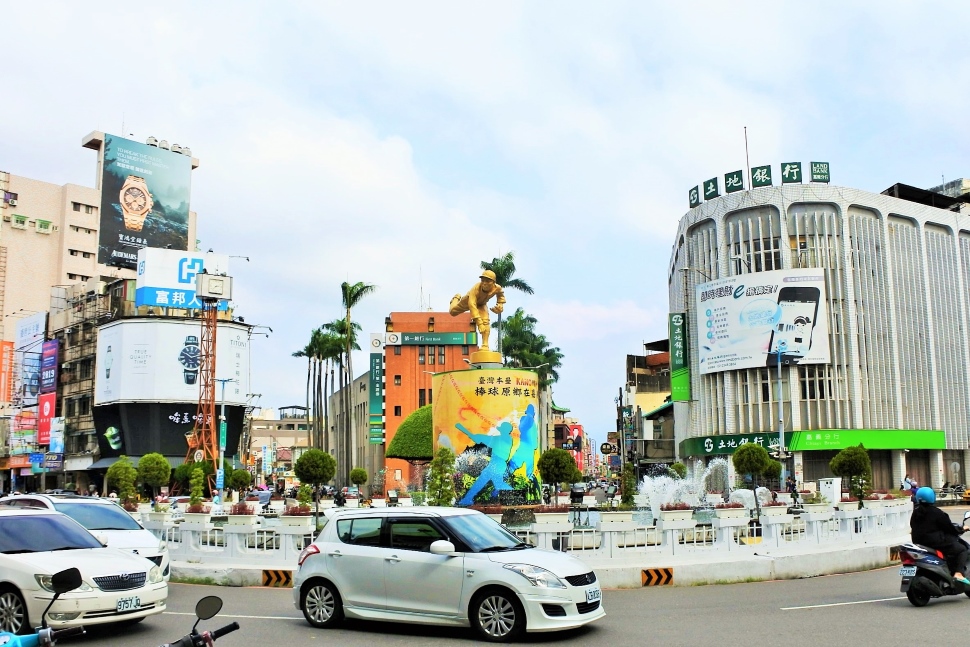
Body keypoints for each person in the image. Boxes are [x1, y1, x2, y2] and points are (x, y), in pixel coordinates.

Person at [910, 486, 970, 585]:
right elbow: (950, 528)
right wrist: (962, 529)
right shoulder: (936, 512)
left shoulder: (916, 512)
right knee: (962, 549)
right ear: (932, 497)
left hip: (918, 542)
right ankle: (958, 573)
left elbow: (913, 526)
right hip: (936, 543)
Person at [449, 269, 506, 351]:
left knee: (486, 321)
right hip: (467, 301)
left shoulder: (497, 288)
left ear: (493, 282)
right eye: (482, 280)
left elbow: (500, 296)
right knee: (452, 312)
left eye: (487, 281)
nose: (484, 283)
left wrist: (500, 305)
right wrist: (479, 323)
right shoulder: (476, 288)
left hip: (482, 304)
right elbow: (472, 305)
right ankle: (455, 298)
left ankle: (485, 345)